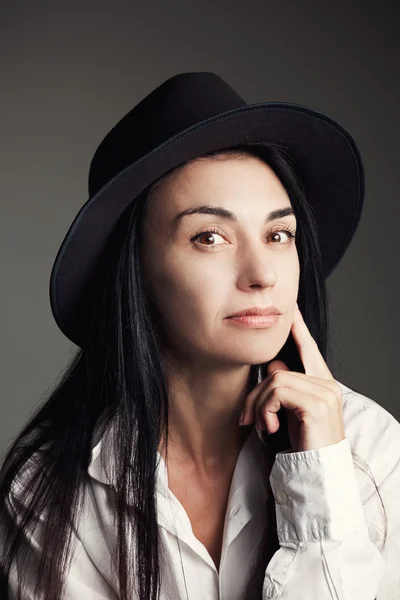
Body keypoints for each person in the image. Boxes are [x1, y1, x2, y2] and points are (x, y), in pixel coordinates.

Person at [0, 72, 399, 600]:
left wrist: (320, 478)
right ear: (136, 269)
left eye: (279, 234)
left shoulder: (372, 454)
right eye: (210, 237)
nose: (263, 274)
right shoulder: (49, 491)